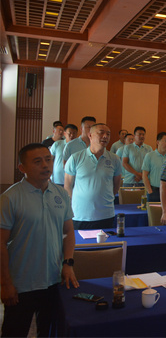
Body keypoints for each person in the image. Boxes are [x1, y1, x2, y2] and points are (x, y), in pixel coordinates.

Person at [1, 143, 79, 337]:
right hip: (22, 283)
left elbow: (69, 231)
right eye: (37, 161)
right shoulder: (10, 198)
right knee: (14, 332)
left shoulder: (60, 193)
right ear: (22, 168)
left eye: (48, 160)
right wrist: (5, 283)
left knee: (49, 331)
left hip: (53, 279)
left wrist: (68, 263)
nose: (45, 165)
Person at [64, 123, 122, 230]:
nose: (105, 136)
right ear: (90, 135)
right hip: (80, 215)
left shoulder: (115, 159)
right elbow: (67, 186)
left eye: (108, 134)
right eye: (101, 133)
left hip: (105, 214)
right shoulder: (76, 158)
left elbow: (116, 185)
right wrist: (79, 202)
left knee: (105, 241)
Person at [142, 132, 166, 202]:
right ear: (158, 142)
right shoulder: (149, 156)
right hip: (154, 190)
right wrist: (149, 190)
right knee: (153, 209)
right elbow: (144, 175)